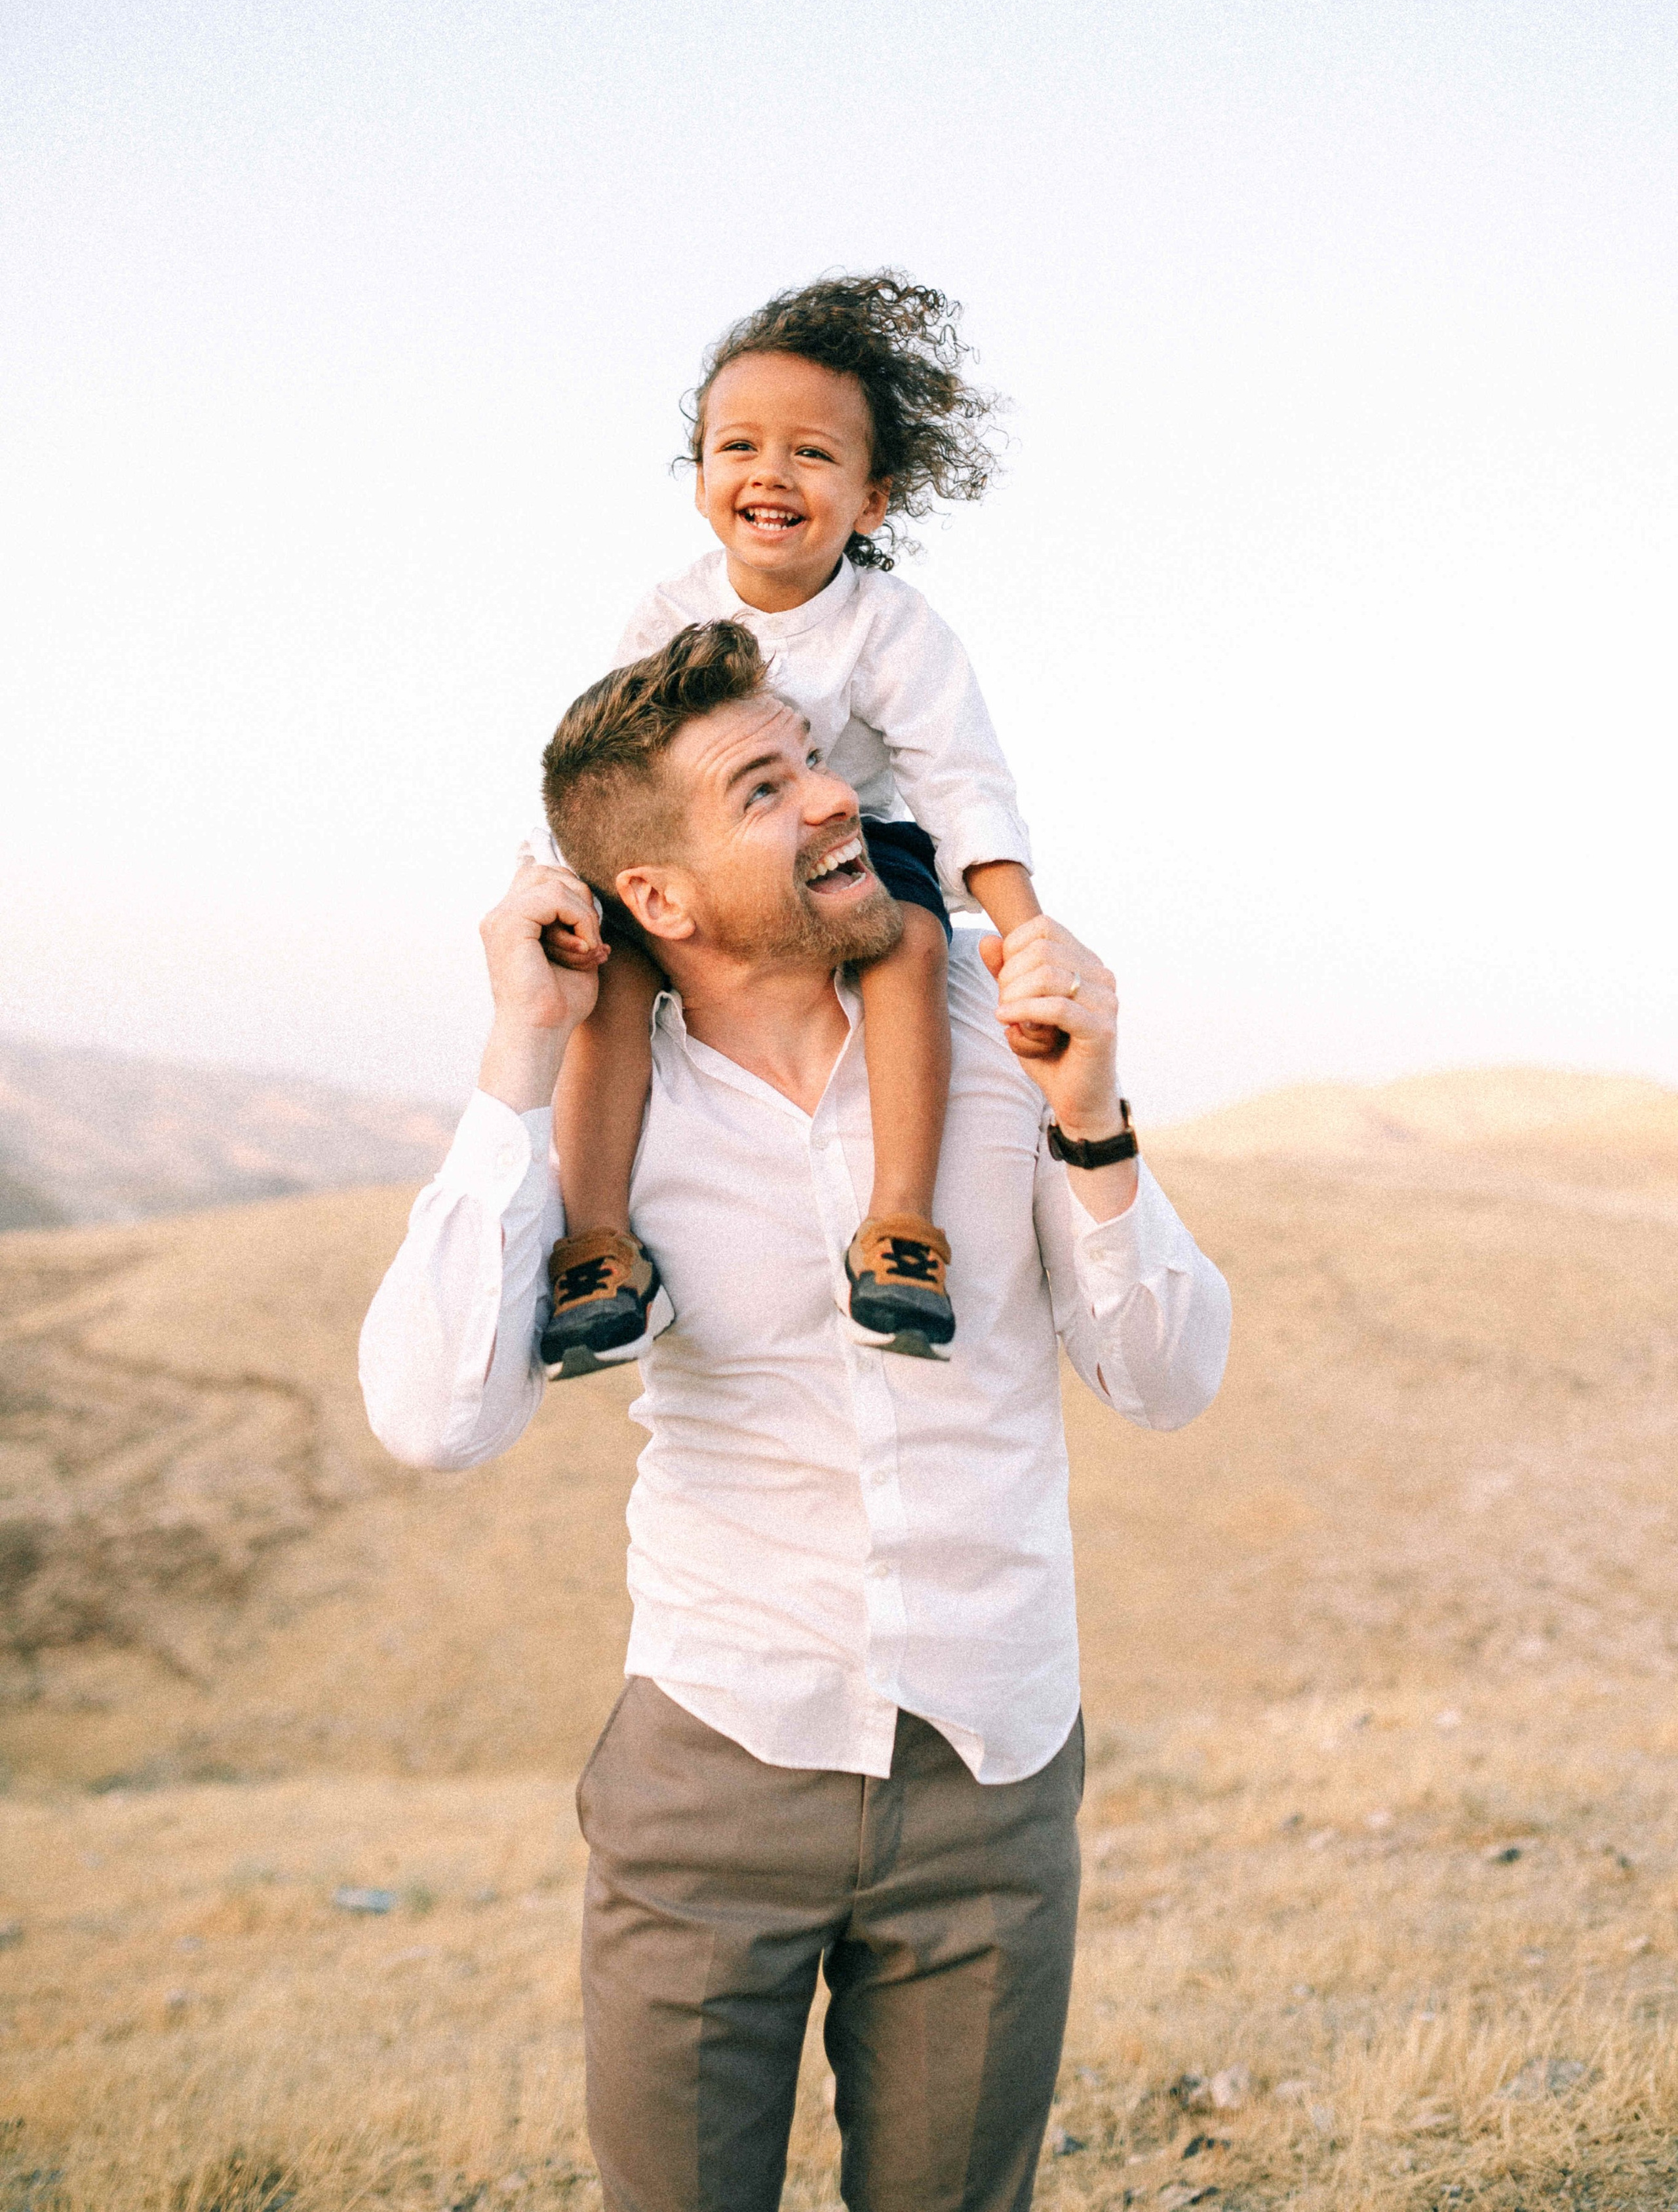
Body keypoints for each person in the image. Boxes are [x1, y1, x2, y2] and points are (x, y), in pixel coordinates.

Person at [359, 619, 1230, 2212]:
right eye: (765, 788)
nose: (837, 797)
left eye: (813, 760)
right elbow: (432, 1419)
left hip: (991, 1768)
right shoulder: (596, 1104)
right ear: (660, 899)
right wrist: (516, 1050)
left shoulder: (990, 1036)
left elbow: (1164, 1384)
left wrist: (1094, 1120)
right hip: (714, 1772)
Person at [537, 273, 1049, 1372]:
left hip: (852, 842)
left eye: (812, 453)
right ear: (700, 481)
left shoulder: (893, 626)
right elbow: (611, 768)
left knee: (914, 947)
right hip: (703, 852)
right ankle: (597, 1246)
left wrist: (1029, 932)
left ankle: (900, 1226)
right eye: (739, 447)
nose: (771, 473)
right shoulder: (669, 613)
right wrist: (555, 889)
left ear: (871, 500)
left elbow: (960, 779)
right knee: (610, 981)